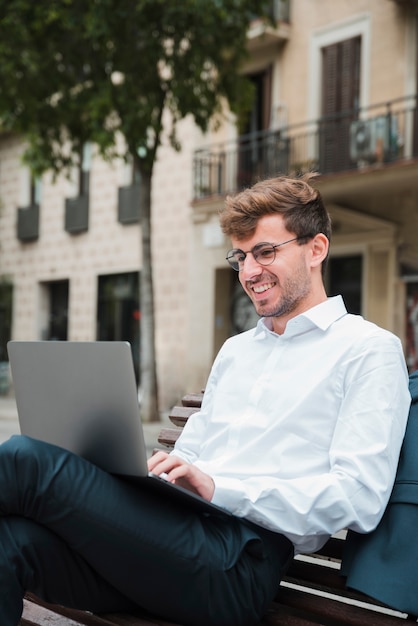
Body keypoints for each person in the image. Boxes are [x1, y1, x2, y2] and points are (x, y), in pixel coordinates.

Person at [0, 174, 411, 626]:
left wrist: (220, 489)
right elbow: (193, 451)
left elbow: (359, 497)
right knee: (11, 542)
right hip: (170, 539)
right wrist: (159, 473)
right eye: (241, 257)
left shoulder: (367, 349)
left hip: (237, 563)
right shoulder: (237, 351)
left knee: (27, 461)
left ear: (316, 249)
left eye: (265, 252)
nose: (249, 272)